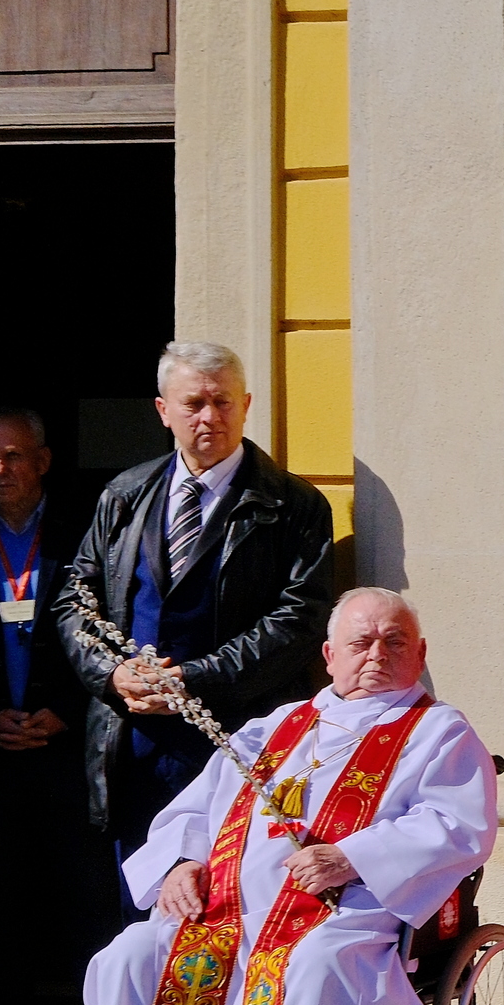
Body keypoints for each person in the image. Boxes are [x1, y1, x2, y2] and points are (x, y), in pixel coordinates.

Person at [33, 590, 497, 1005]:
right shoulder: (274, 727)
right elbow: (195, 809)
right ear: (329, 654)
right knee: (130, 957)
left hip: (347, 916)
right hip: (228, 915)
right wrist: (181, 864)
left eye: (395, 642)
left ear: (420, 653)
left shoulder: (440, 732)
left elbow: (456, 825)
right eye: (361, 642)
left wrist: (350, 855)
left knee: (311, 969)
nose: (377, 655)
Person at [60, 344, 335, 925]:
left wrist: (193, 679)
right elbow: (75, 601)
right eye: (194, 404)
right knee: (136, 922)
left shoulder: (295, 507)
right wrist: (113, 675)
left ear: (247, 405)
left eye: (223, 402)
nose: (210, 417)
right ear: (164, 411)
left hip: (237, 744)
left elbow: (299, 621)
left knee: (226, 917)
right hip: (131, 749)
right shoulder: (124, 495)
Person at [0, 409, 95, 1005]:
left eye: (14, 455)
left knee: (84, 895)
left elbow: (113, 628)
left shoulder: (83, 531)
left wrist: (69, 711)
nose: (0, 470)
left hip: (66, 746)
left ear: (43, 461)